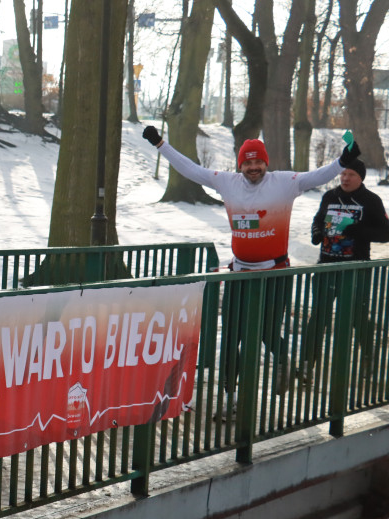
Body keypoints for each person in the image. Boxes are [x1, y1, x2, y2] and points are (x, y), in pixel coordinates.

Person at [142, 127, 360, 401]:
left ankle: (284, 364)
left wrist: (343, 161)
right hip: (240, 273)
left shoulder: (284, 182)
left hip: (275, 272)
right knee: (232, 333)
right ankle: (228, 395)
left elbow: (317, 176)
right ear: (240, 164)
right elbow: (192, 170)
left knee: (268, 330)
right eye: (247, 162)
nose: (253, 167)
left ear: (266, 163)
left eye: (258, 162)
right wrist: (161, 144)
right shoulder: (228, 183)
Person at [303, 158, 389, 380]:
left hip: (356, 269)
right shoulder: (330, 196)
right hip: (327, 267)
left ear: (361, 177)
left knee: (357, 316)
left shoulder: (371, 200)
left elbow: (385, 233)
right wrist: (316, 233)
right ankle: (306, 363)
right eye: (343, 174)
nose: (345, 178)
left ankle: (369, 360)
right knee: (318, 316)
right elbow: (318, 220)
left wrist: (357, 231)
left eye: (351, 174)